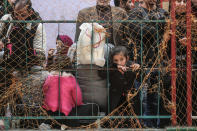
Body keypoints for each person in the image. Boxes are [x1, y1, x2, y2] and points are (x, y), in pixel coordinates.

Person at [125, 0, 169, 128]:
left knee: (158, 100)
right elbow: (143, 31)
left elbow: (167, 29)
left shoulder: (163, 12)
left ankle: (157, 127)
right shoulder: (134, 13)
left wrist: (155, 28)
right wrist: (159, 28)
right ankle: (146, 127)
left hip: (159, 63)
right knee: (142, 100)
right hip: (140, 63)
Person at [0, 0, 46, 70]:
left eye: (23, 15)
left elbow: (40, 54)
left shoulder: (36, 26)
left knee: (37, 69)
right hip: (7, 60)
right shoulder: (7, 19)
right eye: (16, 14)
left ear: (30, 13)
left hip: (29, 65)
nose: (19, 18)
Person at [109, 46, 140, 113]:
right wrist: (115, 67)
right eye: (116, 60)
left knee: (131, 118)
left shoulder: (131, 65)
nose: (119, 63)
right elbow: (101, 73)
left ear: (127, 58)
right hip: (115, 99)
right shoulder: (111, 68)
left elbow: (141, 77)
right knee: (114, 118)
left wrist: (138, 68)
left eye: (121, 59)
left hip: (130, 98)